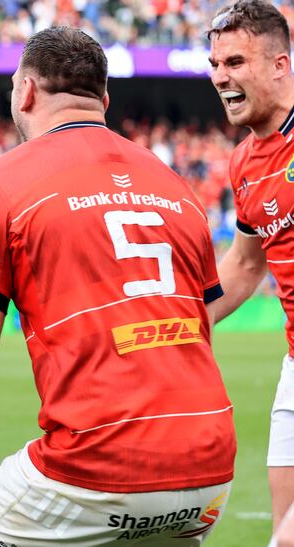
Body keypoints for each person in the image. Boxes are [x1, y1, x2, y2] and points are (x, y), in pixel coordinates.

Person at [0, 26, 236, 546]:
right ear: (104, 100)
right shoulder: (175, 184)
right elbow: (201, 329)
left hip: (99, 462)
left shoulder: (6, 183)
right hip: (210, 465)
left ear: (26, 92)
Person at [206, 0, 294, 532]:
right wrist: (179, 319)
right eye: (216, 65)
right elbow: (243, 264)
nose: (221, 78)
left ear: (280, 65)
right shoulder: (244, 161)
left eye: (235, 62)